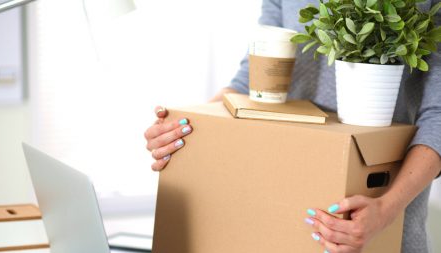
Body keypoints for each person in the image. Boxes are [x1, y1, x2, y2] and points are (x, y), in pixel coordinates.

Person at [143, 0, 441, 252]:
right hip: (277, 215)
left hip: (375, 225)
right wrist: (189, 128)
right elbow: (251, 82)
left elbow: (437, 116)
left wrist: (387, 210)